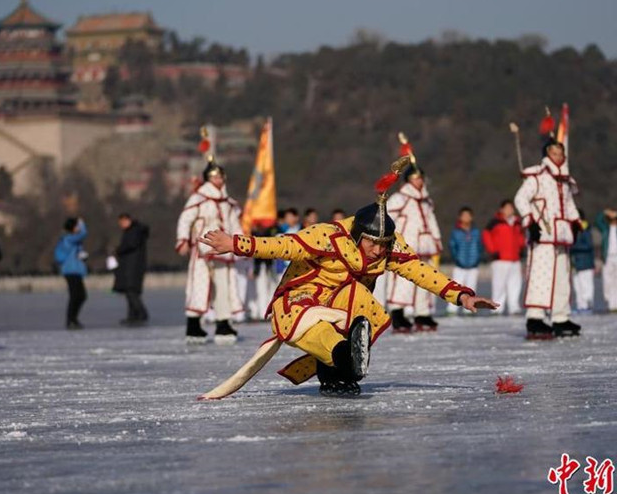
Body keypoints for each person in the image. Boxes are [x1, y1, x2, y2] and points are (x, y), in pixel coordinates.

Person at [198, 157, 497, 399]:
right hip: (301, 300)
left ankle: (338, 373)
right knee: (323, 333)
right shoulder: (327, 236)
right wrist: (236, 244)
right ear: (357, 236)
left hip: (342, 303)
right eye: (371, 242)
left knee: (358, 299)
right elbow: (283, 245)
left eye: (383, 244)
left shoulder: (389, 246)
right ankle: (346, 360)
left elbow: (421, 271)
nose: (378, 250)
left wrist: (461, 295)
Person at [514, 137, 581, 339]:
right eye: (554, 153)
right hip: (542, 234)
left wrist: (576, 221)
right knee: (540, 276)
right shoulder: (537, 176)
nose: (558, 157)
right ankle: (535, 317)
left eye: (561, 153)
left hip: (561, 235)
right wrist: (530, 221)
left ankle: (560, 317)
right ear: (546, 155)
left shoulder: (566, 180)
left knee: (562, 278)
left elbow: (569, 204)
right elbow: (520, 198)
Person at [176, 157, 243, 344]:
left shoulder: (228, 202)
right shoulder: (198, 198)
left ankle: (223, 323)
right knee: (199, 285)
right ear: (207, 179)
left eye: (221, 177)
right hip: (203, 247)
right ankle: (193, 325)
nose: (219, 180)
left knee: (224, 286)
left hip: (224, 249)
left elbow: (235, 224)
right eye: (214, 177)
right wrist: (182, 239)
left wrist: (241, 243)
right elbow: (185, 219)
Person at [385, 161, 443, 332]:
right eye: (416, 178)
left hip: (425, 246)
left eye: (421, 178)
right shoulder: (400, 198)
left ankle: (422, 313)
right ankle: (397, 313)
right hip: (405, 245)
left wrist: (437, 240)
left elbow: (431, 221)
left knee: (425, 278)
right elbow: (387, 218)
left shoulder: (426, 201)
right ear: (409, 180)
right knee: (402, 280)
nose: (419, 181)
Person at [482, 200, 525, 315]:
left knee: (515, 284)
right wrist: (492, 251)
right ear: (501, 209)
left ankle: (514, 307)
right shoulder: (495, 222)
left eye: (511, 208)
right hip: (500, 259)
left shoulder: (517, 222)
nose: (510, 210)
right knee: (499, 285)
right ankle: (497, 307)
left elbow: (521, 236)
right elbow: (486, 235)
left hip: (515, 259)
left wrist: (521, 248)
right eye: (507, 208)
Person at [113, 213, 150, 326]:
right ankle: (132, 316)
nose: (121, 225)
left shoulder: (134, 231)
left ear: (127, 220)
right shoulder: (134, 231)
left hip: (133, 266)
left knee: (131, 291)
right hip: (131, 265)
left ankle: (141, 313)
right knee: (131, 291)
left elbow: (130, 245)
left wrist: (118, 250)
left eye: (122, 222)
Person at [446, 207, 483, 315]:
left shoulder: (476, 232)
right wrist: (456, 259)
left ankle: (469, 309)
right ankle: (452, 309)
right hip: (459, 265)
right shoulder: (455, 232)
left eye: (468, 215)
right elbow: (452, 246)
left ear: (472, 217)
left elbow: (480, 246)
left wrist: (477, 259)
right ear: (460, 217)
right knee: (456, 288)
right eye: (464, 215)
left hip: (473, 265)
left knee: (471, 287)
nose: (466, 218)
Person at [594, 208, 617, 312]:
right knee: (608, 281)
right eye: (611, 219)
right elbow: (597, 221)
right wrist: (605, 213)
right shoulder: (605, 229)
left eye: (615, 219)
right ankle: (610, 303)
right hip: (608, 257)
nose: (613, 221)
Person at [55, 217, 88, 329]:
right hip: (71, 271)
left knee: (81, 296)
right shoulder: (69, 239)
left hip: (75, 271)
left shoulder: (71, 240)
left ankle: (73, 319)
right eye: (77, 226)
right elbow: (83, 234)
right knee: (76, 296)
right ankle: (71, 320)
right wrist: (82, 224)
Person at [569, 210, 596, 313]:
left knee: (586, 286)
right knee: (577, 286)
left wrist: (573, 247)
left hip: (585, 263)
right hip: (575, 264)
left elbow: (588, 245)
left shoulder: (585, 229)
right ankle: (581, 305)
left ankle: (588, 305)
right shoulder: (571, 230)